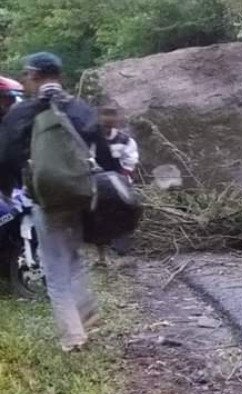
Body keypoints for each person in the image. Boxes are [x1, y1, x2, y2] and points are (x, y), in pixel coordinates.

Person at [0, 52, 114, 352]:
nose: (25, 81)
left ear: (33, 76)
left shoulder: (22, 114)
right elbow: (102, 151)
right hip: (80, 196)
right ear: (60, 76)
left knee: (54, 270)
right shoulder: (79, 108)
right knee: (73, 256)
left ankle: (73, 338)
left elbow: (7, 155)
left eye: (27, 76)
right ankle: (86, 311)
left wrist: (11, 185)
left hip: (45, 198)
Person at [95, 105, 139, 265]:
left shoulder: (125, 141)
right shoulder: (91, 140)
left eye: (110, 123)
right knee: (97, 219)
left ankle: (122, 250)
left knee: (122, 217)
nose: (107, 127)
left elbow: (130, 163)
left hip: (119, 186)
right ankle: (101, 257)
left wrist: (122, 180)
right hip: (97, 185)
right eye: (104, 123)